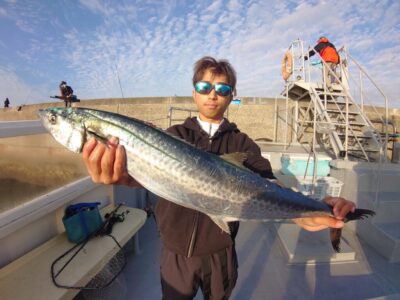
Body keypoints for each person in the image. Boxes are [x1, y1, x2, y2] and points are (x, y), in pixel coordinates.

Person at [81, 56, 356, 299]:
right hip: (175, 253)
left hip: (221, 253)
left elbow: (271, 189)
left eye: (222, 89)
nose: (212, 94)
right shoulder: (172, 137)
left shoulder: (244, 145)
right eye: (204, 87)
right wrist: (124, 176)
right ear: (194, 93)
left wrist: (312, 211)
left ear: (231, 95)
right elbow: (145, 177)